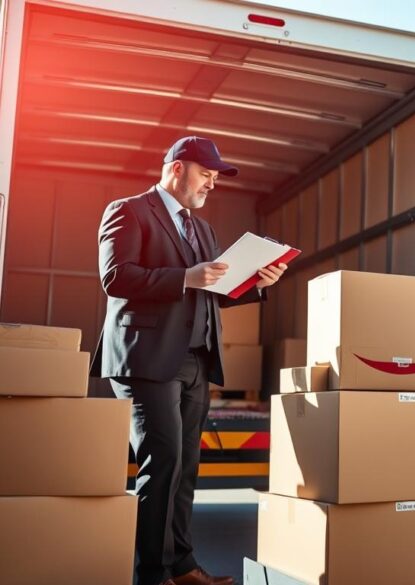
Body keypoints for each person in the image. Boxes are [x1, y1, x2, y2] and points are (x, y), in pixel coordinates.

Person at [90, 136, 286, 585]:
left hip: (196, 359)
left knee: (185, 467)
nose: (211, 185)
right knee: (163, 462)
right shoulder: (129, 210)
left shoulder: (202, 230)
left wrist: (257, 282)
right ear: (177, 169)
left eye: (216, 179)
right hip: (146, 358)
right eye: (206, 175)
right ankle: (153, 575)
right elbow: (115, 277)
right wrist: (185, 276)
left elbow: (212, 289)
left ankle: (181, 567)